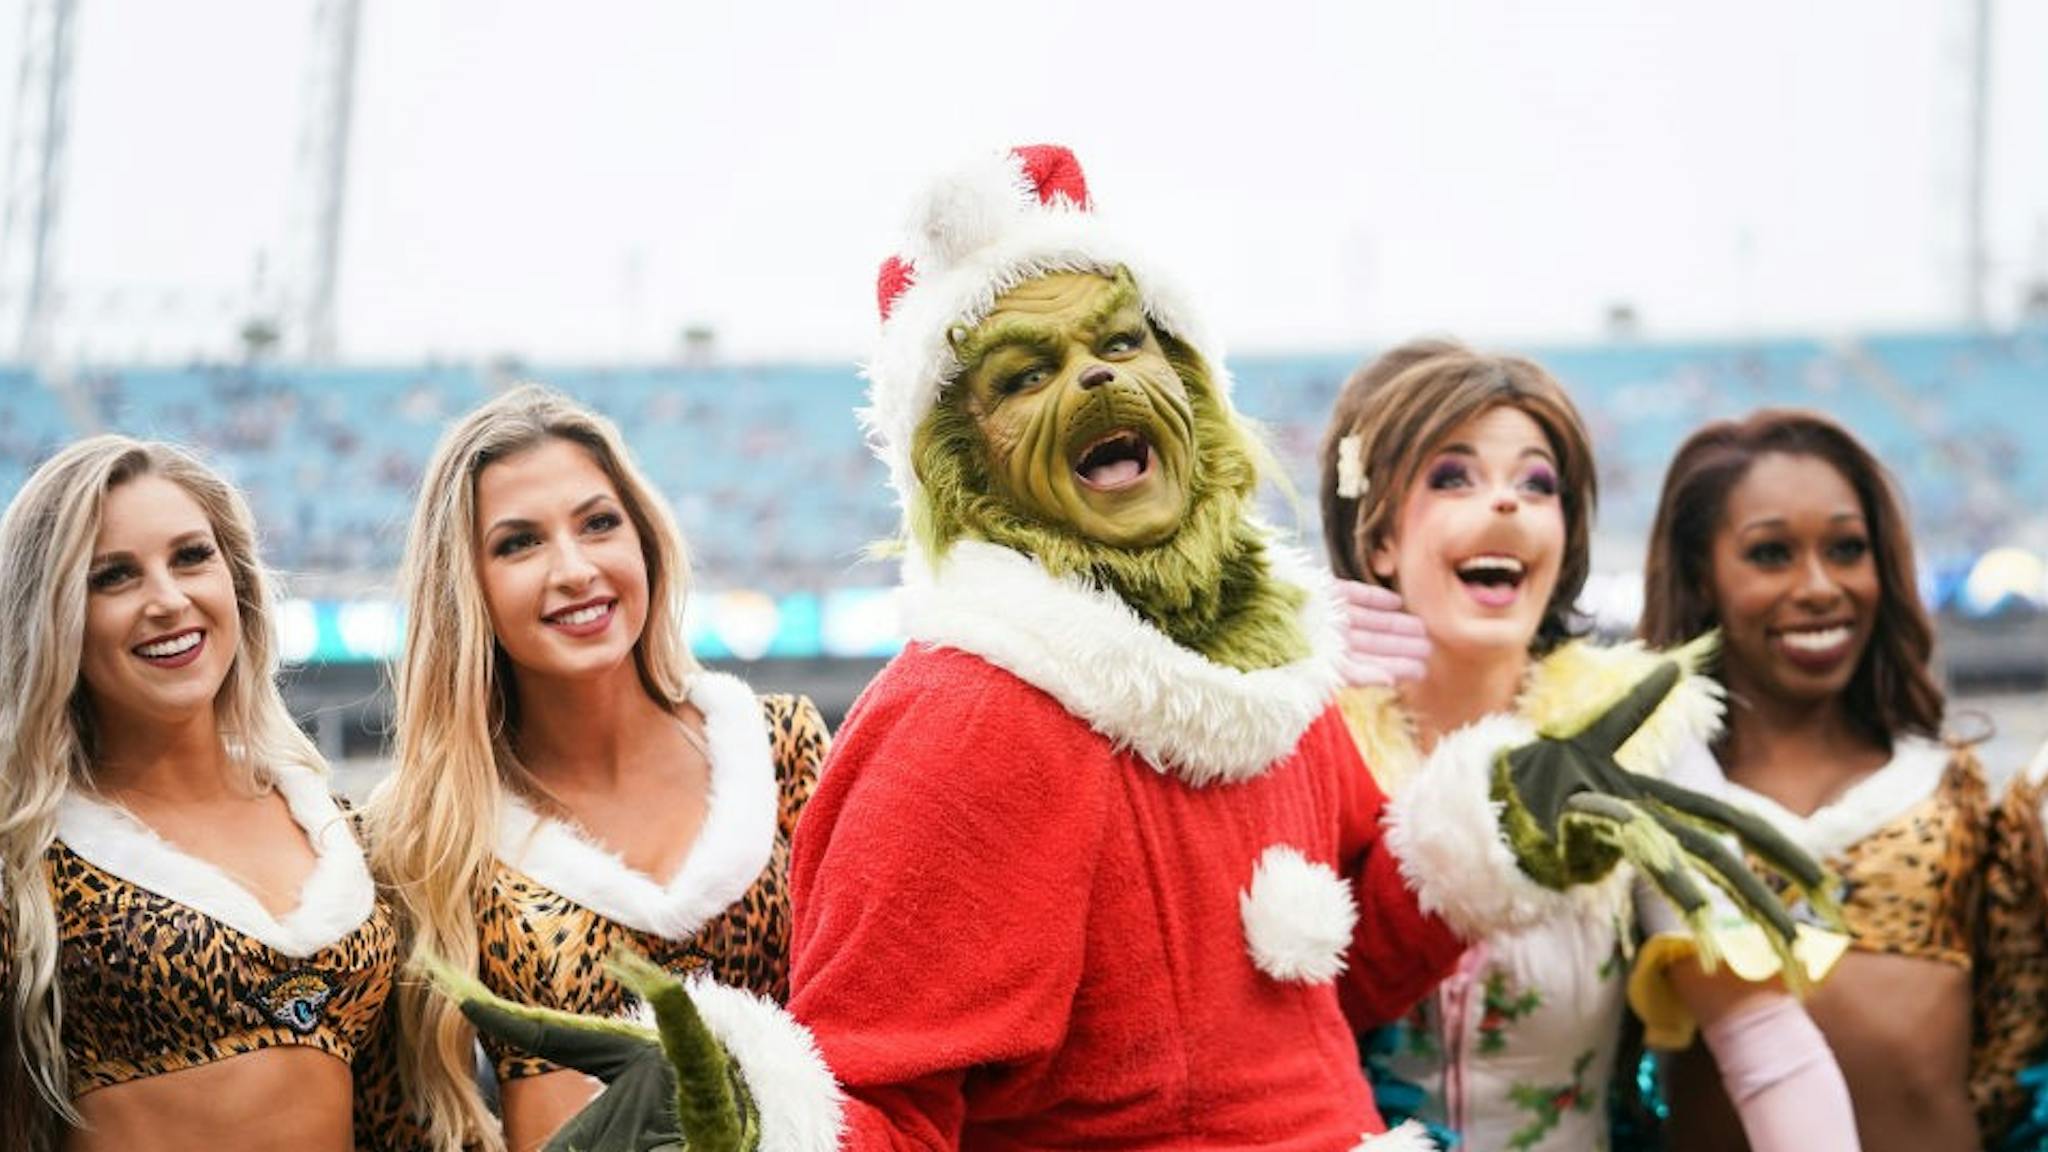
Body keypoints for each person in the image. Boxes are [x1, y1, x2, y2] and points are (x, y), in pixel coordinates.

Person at [438, 144, 1825, 1152]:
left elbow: (1339, 972)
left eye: (1122, 343)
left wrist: (1486, 848)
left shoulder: (1270, 687)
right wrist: (757, 1134)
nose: (1097, 379)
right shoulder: (963, 726)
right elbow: (883, 1107)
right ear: (961, 467)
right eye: (1025, 374)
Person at [1318, 344, 1858, 1152]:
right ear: (1379, 538)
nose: (1505, 504)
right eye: (1453, 476)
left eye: (1537, 483)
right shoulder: (1301, 733)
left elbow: (1767, 1049)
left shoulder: (1634, 734)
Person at [366, 385, 832, 1152]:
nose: (575, 569)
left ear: (645, 538)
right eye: (519, 543)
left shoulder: (778, 744)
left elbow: (872, 1022)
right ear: (466, 587)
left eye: (598, 524)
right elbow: (399, 1119)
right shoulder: (426, 827)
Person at [1636, 408, 2048, 1151]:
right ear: (1702, 574)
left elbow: (2015, 1045)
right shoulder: (1647, 797)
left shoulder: (1953, 790)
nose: (1821, 586)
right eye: (1771, 554)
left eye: (1848, 549)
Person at [0, 436, 397, 1152]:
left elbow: (399, 1114)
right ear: (54, 617)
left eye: (191, 557)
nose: (168, 600)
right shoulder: (22, 854)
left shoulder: (340, 831)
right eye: (114, 577)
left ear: (236, 580)